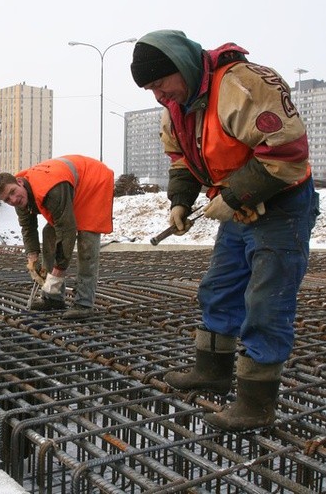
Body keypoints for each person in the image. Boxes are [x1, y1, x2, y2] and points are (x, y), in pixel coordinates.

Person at [130, 30, 319, 432]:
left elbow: (286, 153)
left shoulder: (244, 84)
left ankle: (256, 403)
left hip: (281, 206)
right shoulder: (177, 106)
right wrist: (180, 200)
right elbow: (181, 157)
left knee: (266, 302)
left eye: (161, 84)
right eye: (151, 89)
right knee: (220, 289)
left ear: (181, 66)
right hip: (241, 206)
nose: (159, 96)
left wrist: (234, 195)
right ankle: (212, 371)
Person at [0, 155, 114, 319]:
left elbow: (67, 231)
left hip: (93, 183)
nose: (13, 200)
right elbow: (28, 227)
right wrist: (32, 258)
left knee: (87, 244)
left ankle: (84, 303)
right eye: (7, 199)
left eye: (12, 193)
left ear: (19, 182)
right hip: (69, 188)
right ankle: (53, 298)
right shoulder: (18, 197)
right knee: (48, 234)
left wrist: (58, 272)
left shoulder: (50, 189)